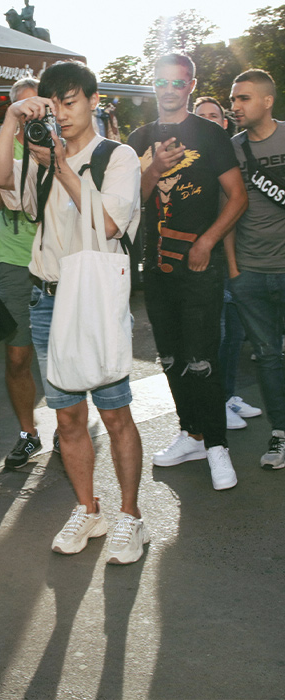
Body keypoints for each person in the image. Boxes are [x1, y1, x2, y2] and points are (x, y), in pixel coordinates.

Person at [0, 60, 147, 564]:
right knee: (68, 416)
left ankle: (131, 517)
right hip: (45, 298)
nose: (62, 112)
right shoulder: (37, 156)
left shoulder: (115, 156)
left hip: (95, 298)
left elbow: (108, 224)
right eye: (53, 103)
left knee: (115, 412)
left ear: (94, 100)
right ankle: (88, 508)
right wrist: (13, 120)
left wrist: (60, 164)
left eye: (71, 100)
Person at [128, 54, 248, 491]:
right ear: (153, 85)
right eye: (161, 81)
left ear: (191, 85)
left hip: (199, 265)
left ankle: (217, 445)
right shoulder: (138, 138)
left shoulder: (211, 134)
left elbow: (237, 197)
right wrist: (155, 168)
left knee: (203, 359)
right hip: (156, 269)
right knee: (173, 357)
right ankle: (190, 434)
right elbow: (131, 202)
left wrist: (207, 241)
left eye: (177, 82)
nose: (169, 89)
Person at [0, 77, 44, 467]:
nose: (29, 114)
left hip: (59, 260)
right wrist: (2, 183)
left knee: (66, 352)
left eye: (36, 106)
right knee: (18, 356)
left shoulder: (60, 143)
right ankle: (29, 433)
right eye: (21, 108)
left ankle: (73, 423)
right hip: (15, 261)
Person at [227, 69, 285, 470]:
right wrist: (234, 271)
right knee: (267, 357)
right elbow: (226, 211)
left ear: (267, 101)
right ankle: (280, 432)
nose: (235, 107)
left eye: (244, 98)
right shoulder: (232, 149)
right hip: (249, 272)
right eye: (233, 99)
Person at [194, 96, 261, 431]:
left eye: (213, 116)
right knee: (215, 337)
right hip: (207, 261)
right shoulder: (190, 159)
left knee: (234, 335)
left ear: (223, 122)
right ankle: (215, 404)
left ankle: (229, 395)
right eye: (201, 116)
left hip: (236, 257)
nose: (208, 121)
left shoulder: (231, 155)